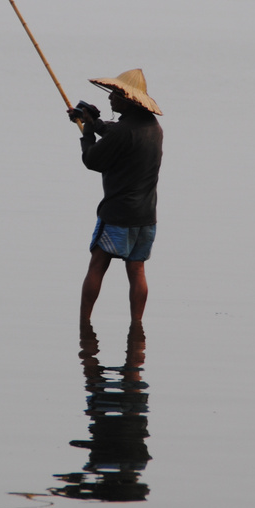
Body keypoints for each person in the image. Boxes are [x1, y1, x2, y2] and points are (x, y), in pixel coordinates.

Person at [68, 68, 162, 322]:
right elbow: (119, 135)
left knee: (97, 264)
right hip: (145, 215)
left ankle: (84, 324)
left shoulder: (123, 131)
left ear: (128, 99)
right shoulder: (153, 127)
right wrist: (94, 122)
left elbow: (92, 160)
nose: (110, 98)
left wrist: (87, 131)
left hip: (118, 213)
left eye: (115, 95)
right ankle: (137, 326)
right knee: (137, 269)